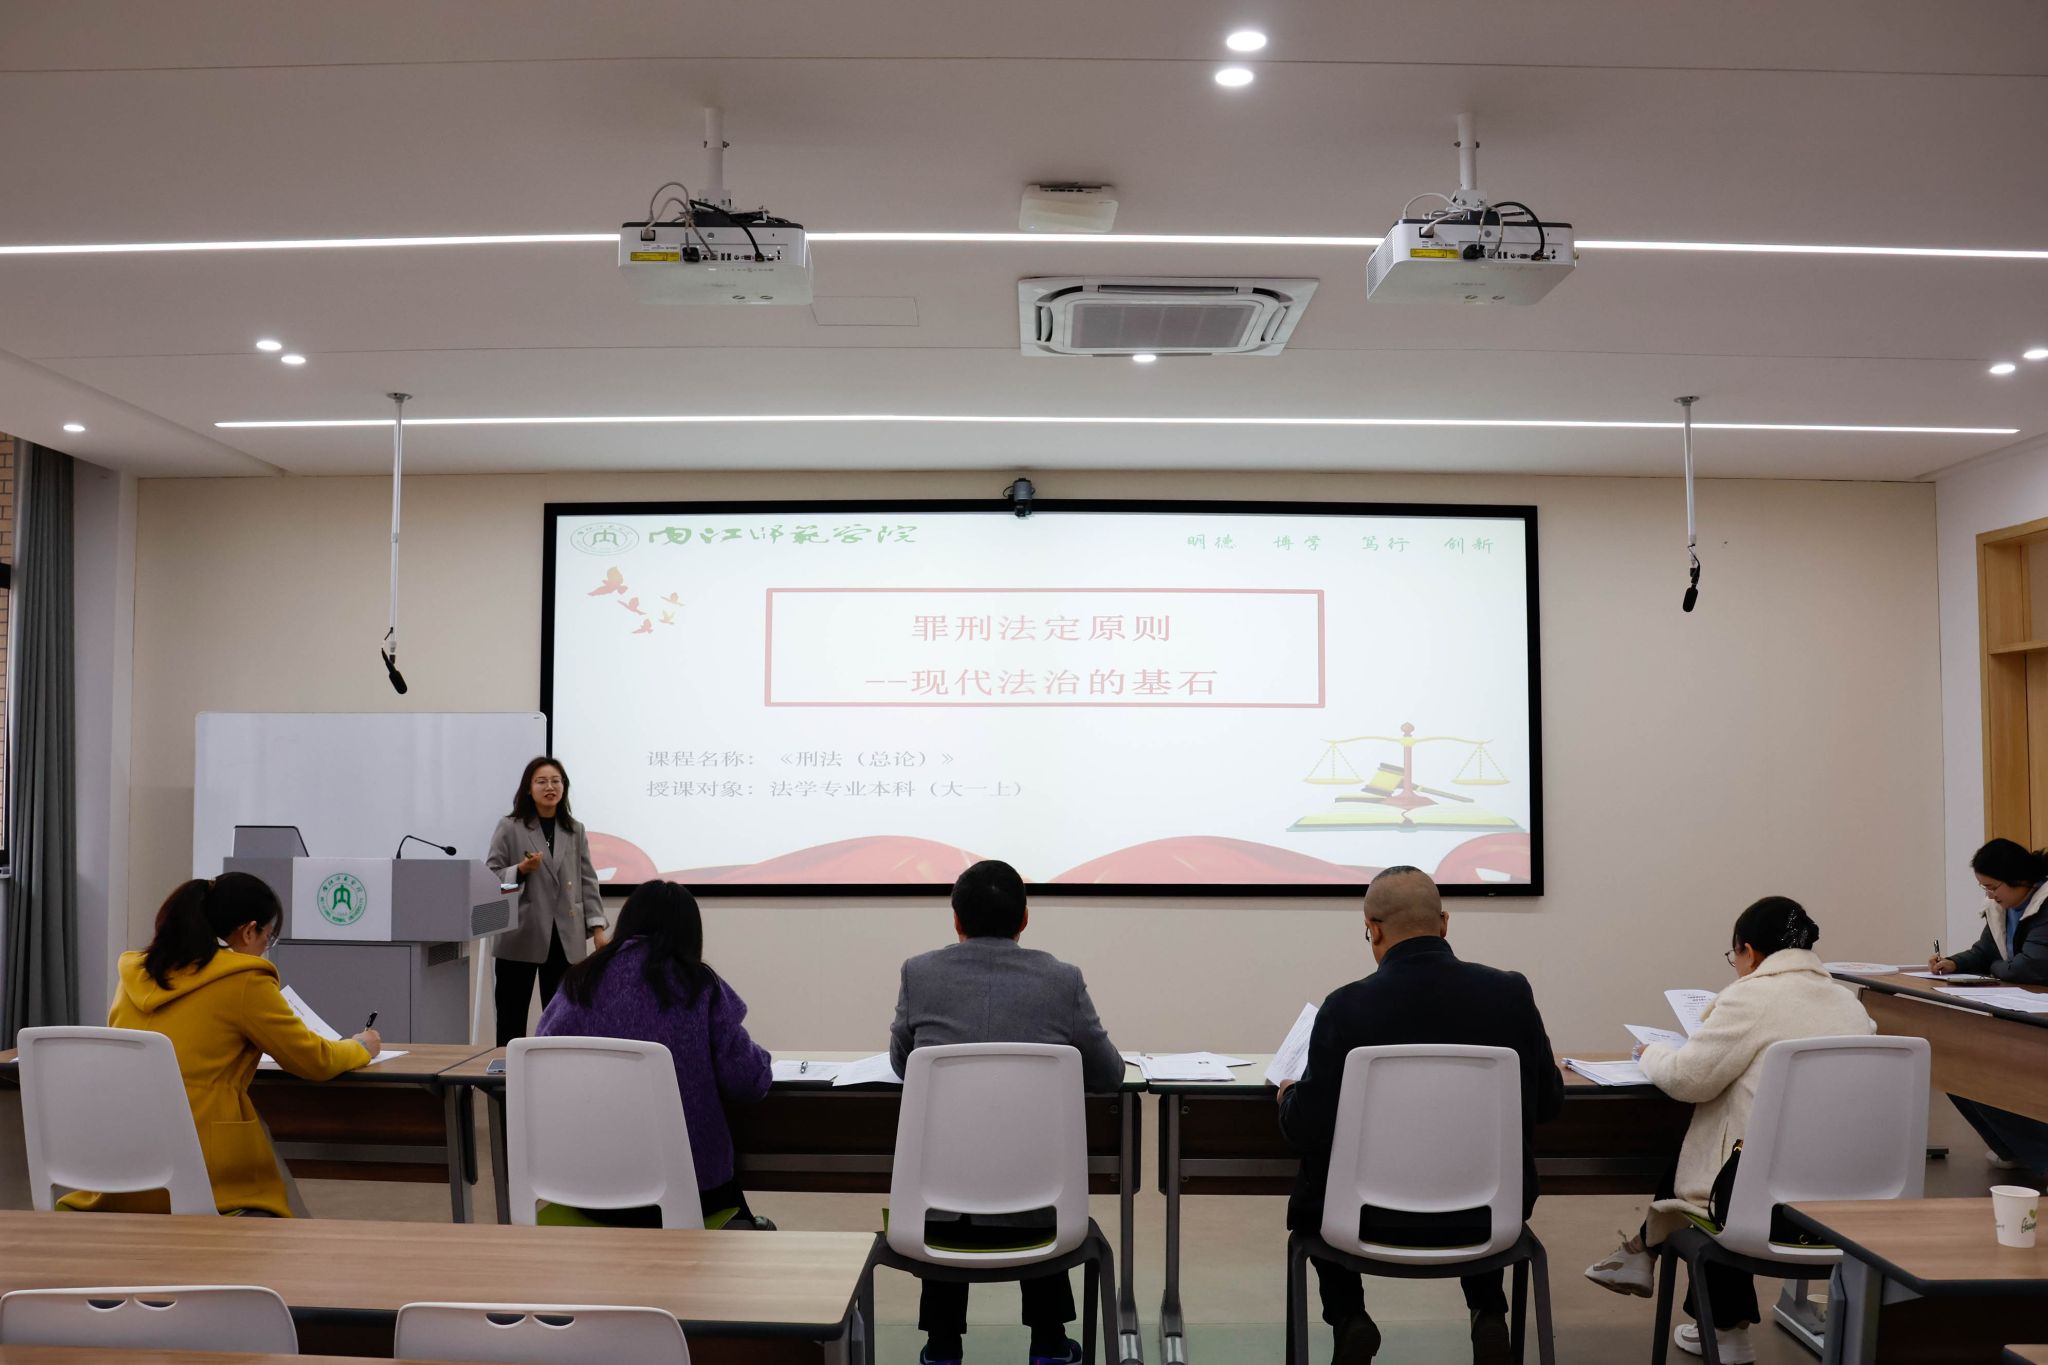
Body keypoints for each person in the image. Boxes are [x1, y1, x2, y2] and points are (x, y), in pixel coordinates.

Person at [1277, 866, 1563, 1365]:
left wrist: (1287, 1097)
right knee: (1469, 1161)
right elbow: (1548, 1104)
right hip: (1487, 1220)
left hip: (1363, 1221)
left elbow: (1306, 1130)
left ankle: (1349, 1317)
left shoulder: (1345, 1008)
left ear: (1373, 929)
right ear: (1444, 923)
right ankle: (1488, 1311)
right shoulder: (1510, 994)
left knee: (1317, 1180)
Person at [1585, 896, 1873, 1364]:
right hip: (1847, 1200)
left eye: (1733, 955)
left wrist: (1649, 1054)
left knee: (1722, 1156)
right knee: (1733, 1134)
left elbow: (1687, 1079)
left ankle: (1712, 1317)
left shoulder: (1751, 997)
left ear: (1749, 952)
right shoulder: (1848, 1005)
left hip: (1763, 1203)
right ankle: (1642, 1255)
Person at [887, 859, 1124, 1365]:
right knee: (1030, 1175)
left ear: (956, 919)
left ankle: (942, 1349)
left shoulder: (919, 974)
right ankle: (1050, 1345)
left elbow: (904, 1064)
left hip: (939, 1208)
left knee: (953, 1180)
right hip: (1042, 1207)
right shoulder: (1062, 980)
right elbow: (1109, 1074)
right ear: (1024, 919)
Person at [60, 873, 381, 1217]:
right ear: (249, 931)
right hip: (201, 1175)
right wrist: (361, 1047)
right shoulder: (244, 978)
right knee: (275, 1200)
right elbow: (314, 1060)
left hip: (116, 1175)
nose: (264, 948)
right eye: (267, 937)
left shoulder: (139, 971)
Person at [535, 879, 773, 1226]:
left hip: (589, 1189)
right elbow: (747, 1081)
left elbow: (544, 1065)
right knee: (747, 1220)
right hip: (689, 1194)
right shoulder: (700, 986)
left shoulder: (580, 980)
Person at [1926, 838, 2048, 1173]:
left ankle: (2039, 1155)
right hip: (2016, 1013)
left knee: (1988, 1075)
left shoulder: (2045, 906)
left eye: (1993, 887)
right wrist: (1954, 962)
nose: (1990, 896)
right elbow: (1985, 951)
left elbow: (2028, 967)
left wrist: (1994, 969)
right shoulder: (2002, 909)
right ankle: (2012, 1149)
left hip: (2039, 1020)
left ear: (2019, 880)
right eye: (1984, 888)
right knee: (1955, 1071)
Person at [488, 756, 609, 1047]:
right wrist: (520, 870)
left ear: (564, 787)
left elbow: (588, 880)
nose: (550, 787)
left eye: (556, 781)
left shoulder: (574, 829)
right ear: (529, 789)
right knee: (511, 1016)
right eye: (541, 781)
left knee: (562, 1021)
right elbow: (491, 877)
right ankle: (507, 1073)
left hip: (565, 937)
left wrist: (597, 928)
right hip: (521, 934)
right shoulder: (510, 827)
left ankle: (559, 1072)